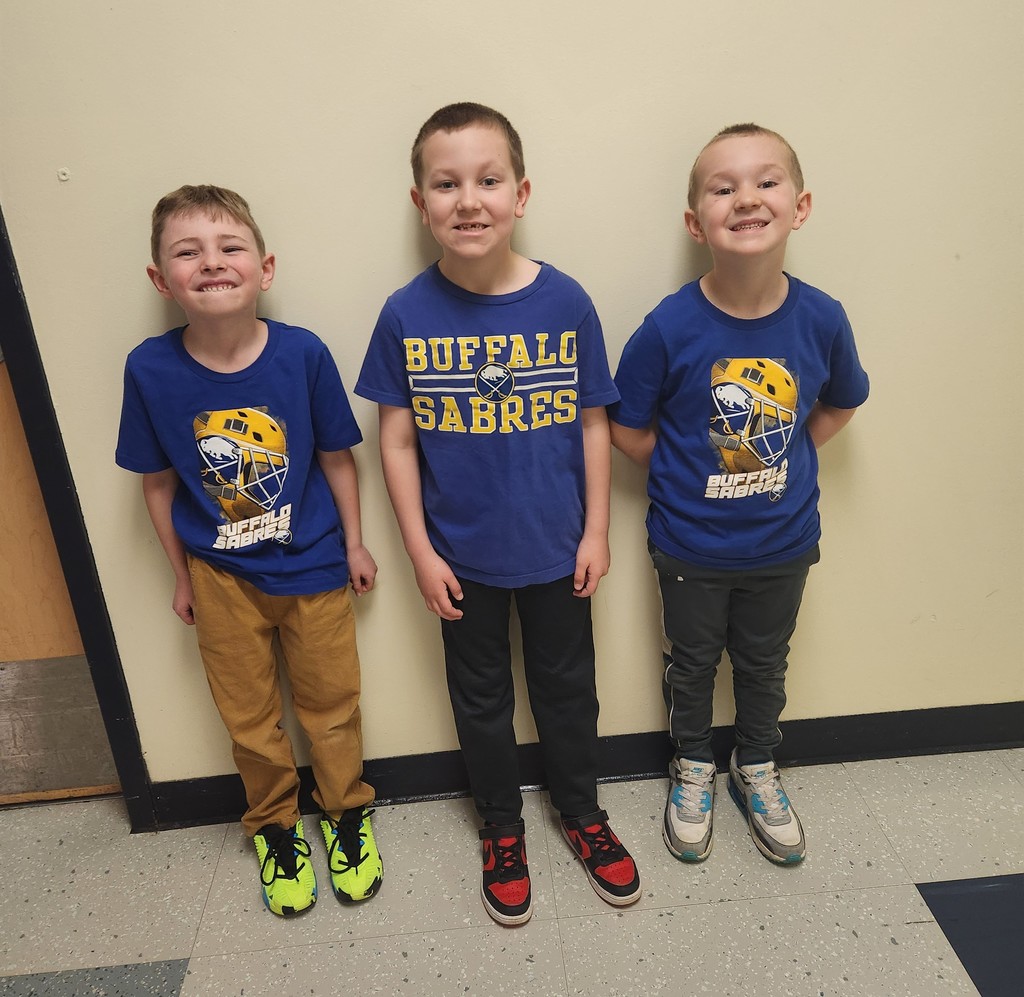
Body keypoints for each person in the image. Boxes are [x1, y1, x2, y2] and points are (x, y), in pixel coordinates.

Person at [356, 102, 640, 925]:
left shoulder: (566, 300)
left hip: (558, 549)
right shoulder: (406, 313)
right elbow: (396, 442)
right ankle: (501, 827)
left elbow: (595, 419)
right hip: (459, 557)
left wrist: (596, 528)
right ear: (420, 201)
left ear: (521, 192)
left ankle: (581, 812)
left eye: (487, 180)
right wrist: (417, 549)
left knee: (567, 692)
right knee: (478, 700)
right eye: (446, 183)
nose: (468, 199)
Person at [116, 185, 384, 917]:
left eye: (229, 247)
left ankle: (347, 814)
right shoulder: (150, 369)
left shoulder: (302, 354)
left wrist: (356, 543)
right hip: (220, 578)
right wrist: (182, 577)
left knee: (331, 706)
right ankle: (275, 826)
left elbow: (337, 459)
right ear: (160, 279)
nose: (210, 262)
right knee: (250, 720)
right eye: (187, 251)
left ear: (263, 268)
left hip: (316, 567)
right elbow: (158, 488)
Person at [610, 124, 869, 866]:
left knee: (764, 662)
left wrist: (786, 455)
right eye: (723, 188)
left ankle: (756, 765)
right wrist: (687, 467)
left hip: (782, 543)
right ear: (696, 222)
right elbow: (625, 426)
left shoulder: (822, 318)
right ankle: (692, 766)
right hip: (690, 544)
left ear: (800, 204)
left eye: (765, 182)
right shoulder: (668, 327)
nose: (746, 198)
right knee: (690, 662)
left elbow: (842, 402)